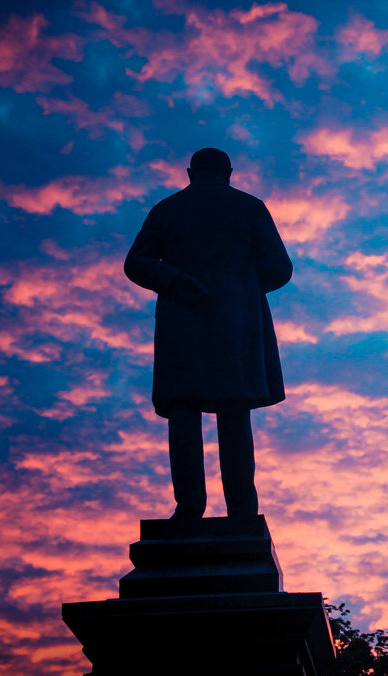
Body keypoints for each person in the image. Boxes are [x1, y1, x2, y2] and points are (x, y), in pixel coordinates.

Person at [125, 148, 292, 518]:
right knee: (233, 411)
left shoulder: (167, 209)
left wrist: (175, 281)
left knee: (185, 409)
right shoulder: (250, 207)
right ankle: (242, 510)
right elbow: (280, 268)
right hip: (234, 325)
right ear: (229, 172)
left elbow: (136, 263)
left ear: (190, 172)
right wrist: (242, 287)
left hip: (182, 321)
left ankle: (189, 505)